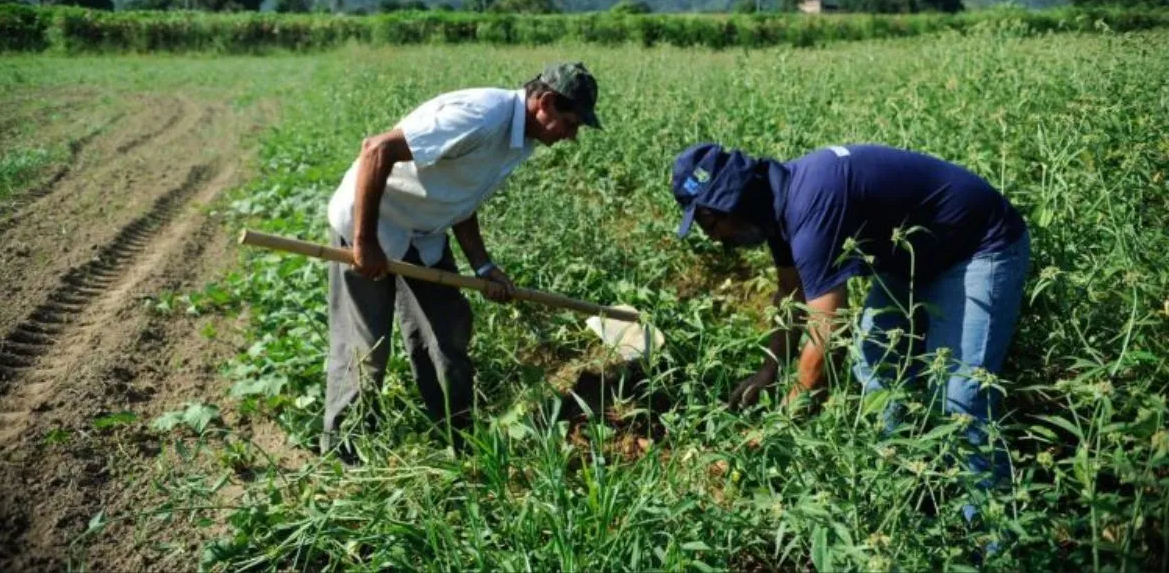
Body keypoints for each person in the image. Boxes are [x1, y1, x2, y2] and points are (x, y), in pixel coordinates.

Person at [671, 142, 1030, 487]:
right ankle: (904, 483)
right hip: (911, 257)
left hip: (979, 246)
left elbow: (828, 337)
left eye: (708, 224)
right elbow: (790, 294)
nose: (713, 238)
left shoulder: (810, 206)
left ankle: (991, 535)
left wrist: (779, 430)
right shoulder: (774, 206)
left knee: (961, 399)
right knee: (876, 361)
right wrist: (770, 368)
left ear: (727, 204)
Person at [323, 63, 602, 456]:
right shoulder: (481, 117)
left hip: (423, 234)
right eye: (571, 123)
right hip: (370, 224)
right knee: (366, 349)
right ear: (546, 103)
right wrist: (364, 241)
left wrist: (484, 267)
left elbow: (461, 198)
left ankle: (458, 439)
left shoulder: (518, 141)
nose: (572, 136)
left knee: (447, 333)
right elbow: (377, 149)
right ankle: (343, 452)